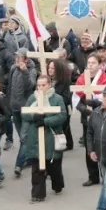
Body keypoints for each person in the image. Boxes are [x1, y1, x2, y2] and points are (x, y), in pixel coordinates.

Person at [22, 74, 68, 203]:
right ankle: (37, 194)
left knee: (54, 167)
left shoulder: (57, 99)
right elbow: (24, 114)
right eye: (39, 85)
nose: (41, 88)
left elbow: (62, 116)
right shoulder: (33, 98)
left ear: (49, 85)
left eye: (44, 85)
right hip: (36, 137)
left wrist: (45, 121)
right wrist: (34, 117)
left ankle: (57, 185)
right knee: (37, 167)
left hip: (51, 137)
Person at [75, 54, 106, 186]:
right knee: (89, 146)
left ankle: (105, 174)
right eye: (89, 63)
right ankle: (93, 176)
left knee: (102, 145)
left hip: (102, 116)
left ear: (100, 65)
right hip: (87, 118)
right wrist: (83, 108)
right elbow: (75, 97)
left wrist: (96, 104)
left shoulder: (105, 79)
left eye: (93, 63)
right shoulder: (82, 79)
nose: (90, 65)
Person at [9, 49, 37, 177]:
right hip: (14, 107)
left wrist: (25, 71)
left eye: (19, 57)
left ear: (26, 59)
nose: (16, 60)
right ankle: (30, 157)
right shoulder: (13, 69)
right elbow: (10, 87)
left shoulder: (31, 70)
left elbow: (30, 86)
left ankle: (18, 165)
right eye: (16, 57)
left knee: (24, 138)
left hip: (25, 109)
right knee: (21, 136)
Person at [48, 59, 74, 150]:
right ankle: (67, 143)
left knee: (64, 126)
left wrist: (56, 99)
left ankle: (66, 143)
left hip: (63, 107)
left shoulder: (65, 81)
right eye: (49, 67)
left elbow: (67, 98)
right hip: (52, 108)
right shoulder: (48, 80)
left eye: (53, 68)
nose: (50, 70)